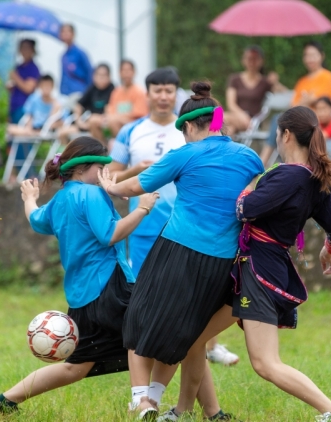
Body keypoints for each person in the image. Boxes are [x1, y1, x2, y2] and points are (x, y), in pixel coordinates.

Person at [99, 81, 263, 420]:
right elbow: (251, 201)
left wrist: (109, 185)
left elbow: (134, 186)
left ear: (188, 126)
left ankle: (144, 399)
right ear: (220, 122)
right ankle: (202, 410)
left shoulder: (183, 154)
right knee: (191, 334)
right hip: (224, 261)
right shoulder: (250, 157)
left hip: (179, 251)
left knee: (140, 318)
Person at [0, 136, 159, 415]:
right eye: (100, 168)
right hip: (108, 285)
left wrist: (29, 198)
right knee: (156, 335)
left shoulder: (60, 198)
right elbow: (110, 235)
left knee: (75, 367)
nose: (103, 174)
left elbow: (35, 220)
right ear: (81, 168)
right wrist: (142, 208)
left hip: (81, 296)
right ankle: (144, 402)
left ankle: (4, 401)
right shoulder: (90, 194)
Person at [109, 68, 239, 388]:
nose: (164, 96)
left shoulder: (194, 126)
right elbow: (112, 174)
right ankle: (148, 390)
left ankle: (208, 347)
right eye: (158, 90)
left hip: (193, 233)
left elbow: (224, 143)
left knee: (196, 304)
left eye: (170, 90)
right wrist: (137, 171)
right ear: (148, 93)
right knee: (149, 305)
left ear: (177, 94)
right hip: (146, 228)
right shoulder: (131, 131)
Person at [232, 106, 331, 422]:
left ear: (285, 134)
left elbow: (245, 209)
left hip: (258, 268)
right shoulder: (313, 177)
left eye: (276, 133)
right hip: (260, 264)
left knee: (265, 363)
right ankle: (189, 410)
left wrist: (240, 187)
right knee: (198, 338)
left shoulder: (289, 176)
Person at [260, 41, 331, 166]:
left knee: (279, 119)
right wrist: (306, 100)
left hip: (315, 120)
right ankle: (275, 163)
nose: (309, 59)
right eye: (307, 55)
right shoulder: (302, 81)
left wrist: (305, 101)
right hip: (299, 119)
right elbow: (294, 105)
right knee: (279, 120)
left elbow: (321, 102)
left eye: (313, 55)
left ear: (321, 56)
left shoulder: (327, 77)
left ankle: (264, 160)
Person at [223, 46, 283, 135]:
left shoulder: (265, 82)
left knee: (218, 117)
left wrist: (275, 82)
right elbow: (231, 104)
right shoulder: (234, 79)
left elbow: (284, 94)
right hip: (236, 116)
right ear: (243, 60)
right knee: (229, 130)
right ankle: (223, 148)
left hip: (253, 120)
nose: (251, 62)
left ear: (261, 61)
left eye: (255, 59)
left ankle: (206, 144)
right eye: (249, 58)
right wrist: (242, 115)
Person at [88, 60, 148, 142]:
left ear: (134, 72)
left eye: (129, 70)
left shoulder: (139, 91)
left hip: (133, 123)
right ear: (119, 73)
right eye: (123, 70)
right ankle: (102, 148)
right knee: (93, 120)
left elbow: (139, 114)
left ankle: (122, 147)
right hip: (113, 120)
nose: (126, 73)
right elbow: (110, 110)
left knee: (112, 121)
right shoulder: (116, 91)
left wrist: (116, 117)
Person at [58, 64, 116, 144]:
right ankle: (68, 155)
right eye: (99, 75)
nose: (101, 78)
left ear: (109, 77)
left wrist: (96, 120)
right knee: (62, 133)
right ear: (94, 76)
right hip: (88, 123)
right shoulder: (92, 88)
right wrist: (79, 121)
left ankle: (102, 152)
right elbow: (78, 106)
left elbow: (110, 112)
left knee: (93, 122)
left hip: (103, 126)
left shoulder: (113, 90)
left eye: (104, 75)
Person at [7, 39, 41, 124]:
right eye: (22, 48)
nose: (24, 50)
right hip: (13, 106)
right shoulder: (18, 67)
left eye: (27, 48)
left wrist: (16, 77)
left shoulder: (33, 68)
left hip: (24, 106)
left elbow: (28, 89)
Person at [59, 23, 93, 96]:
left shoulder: (80, 53)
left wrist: (88, 93)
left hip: (79, 92)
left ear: (73, 34)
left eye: (67, 31)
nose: (65, 34)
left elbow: (89, 72)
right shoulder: (63, 56)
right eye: (63, 32)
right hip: (65, 94)